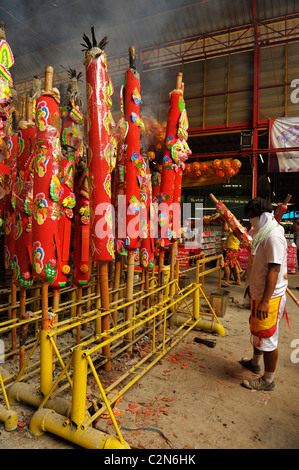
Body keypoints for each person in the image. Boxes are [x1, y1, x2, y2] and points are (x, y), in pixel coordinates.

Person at [240, 197, 288, 391]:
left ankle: (268, 380)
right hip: (258, 292)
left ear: (261, 216)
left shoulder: (273, 236)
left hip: (270, 297)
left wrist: (266, 301)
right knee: (257, 329)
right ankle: (254, 362)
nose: (250, 221)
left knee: (268, 337)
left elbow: (274, 270)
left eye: (251, 217)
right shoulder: (263, 231)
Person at [222, 221, 241, 287]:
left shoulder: (235, 229)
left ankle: (227, 281)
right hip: (234, 249)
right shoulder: (239, 229)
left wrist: (225, 220)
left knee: (227, 264)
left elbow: (225, 228)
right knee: (234, 264)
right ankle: (238, 280)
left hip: (231, 249)